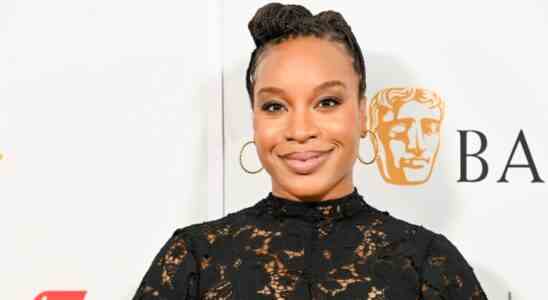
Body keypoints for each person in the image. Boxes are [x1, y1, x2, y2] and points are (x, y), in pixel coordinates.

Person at [132, 2, 488, 299]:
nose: (300, 131)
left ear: (363, 115)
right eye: (275, 106)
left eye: (327, 102)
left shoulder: (429, 264)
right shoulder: (195, 259)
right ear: (253, 118)